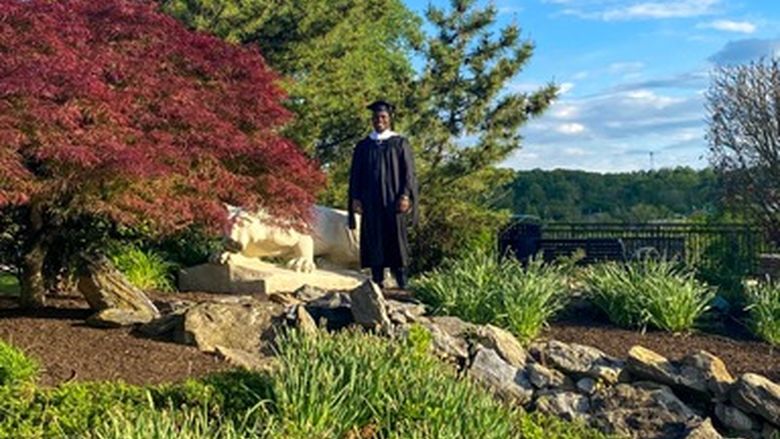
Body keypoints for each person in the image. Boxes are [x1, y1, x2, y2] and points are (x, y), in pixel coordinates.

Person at [347, 100, 418, 289]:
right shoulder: (363, 146)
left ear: (389, 119)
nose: (379, 120)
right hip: (371, 202)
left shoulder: (400, 143)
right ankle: (377, 282)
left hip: (393, 202)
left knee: (396, 239)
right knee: (374, 239)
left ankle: (403, 283)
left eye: (383, 117)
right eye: (376, 117)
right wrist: (355, 198)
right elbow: (356, 175)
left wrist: (405, 195)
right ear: (372, 120)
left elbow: (408, 172)